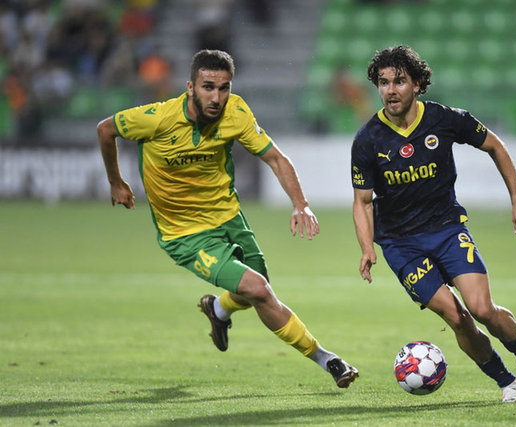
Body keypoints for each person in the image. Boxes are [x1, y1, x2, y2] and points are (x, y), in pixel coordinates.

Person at [97, 49, 358, 388]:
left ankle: (218, 310)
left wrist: (300, 204)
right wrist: (116, 181)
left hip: (229, 217)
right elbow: (106, 129)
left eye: (224, 88)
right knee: (258, 289)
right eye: (208, 87)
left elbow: (276, 158)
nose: (216, 97)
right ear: (190, 87)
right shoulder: (157, 118)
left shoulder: (235, 112)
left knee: (257, 289)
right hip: (185, 234)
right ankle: (327, 359)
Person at [351, 45, 516, 402]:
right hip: (400, 244)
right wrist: (367, 247)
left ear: (417, 84)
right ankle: (506, 382)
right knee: (458, 318)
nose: (391, 90)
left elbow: (495, 146)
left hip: (447, 229)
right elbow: (362, 201)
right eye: (383, 83)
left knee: (482, 309)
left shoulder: (443, 119)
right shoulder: (368, 139)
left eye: (399, 81)